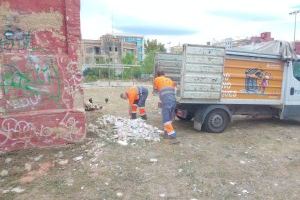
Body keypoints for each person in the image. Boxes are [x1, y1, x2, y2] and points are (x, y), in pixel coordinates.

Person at [153, 70, 178, 142]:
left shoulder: (157, 79)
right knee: (169, 118)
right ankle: (166, 132)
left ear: (158, 75)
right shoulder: (169, 79)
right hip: (173, 100)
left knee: (166, 119)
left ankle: (172, 134)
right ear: (164, 74)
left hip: (166, 101)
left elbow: (155, 90)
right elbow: (175, 86)